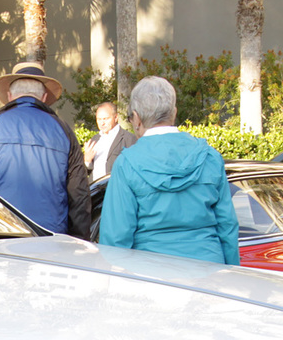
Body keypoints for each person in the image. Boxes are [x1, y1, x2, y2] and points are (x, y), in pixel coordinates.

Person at [97, 76, 238, 264]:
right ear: (174, 112)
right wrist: (232, 273)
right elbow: (227, 227)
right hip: (209, 271)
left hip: (151, 276)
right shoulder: (209, 157)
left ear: (136, 118)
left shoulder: (126, 164)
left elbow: (115, 238)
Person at [0, 61, 91, 238]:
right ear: (44, 97)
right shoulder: (63, 130)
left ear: (9, 96)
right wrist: (79, 241)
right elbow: (79, 195)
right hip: (49, 238)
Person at [83, 101, 136, 182]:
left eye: (105, 119)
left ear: (115, 118)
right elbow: (84, 173)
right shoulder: (94, 140)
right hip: (95, 191)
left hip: (117, 189)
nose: (102, 123)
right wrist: (87, 160)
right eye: (99, 119)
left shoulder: (128, 139)